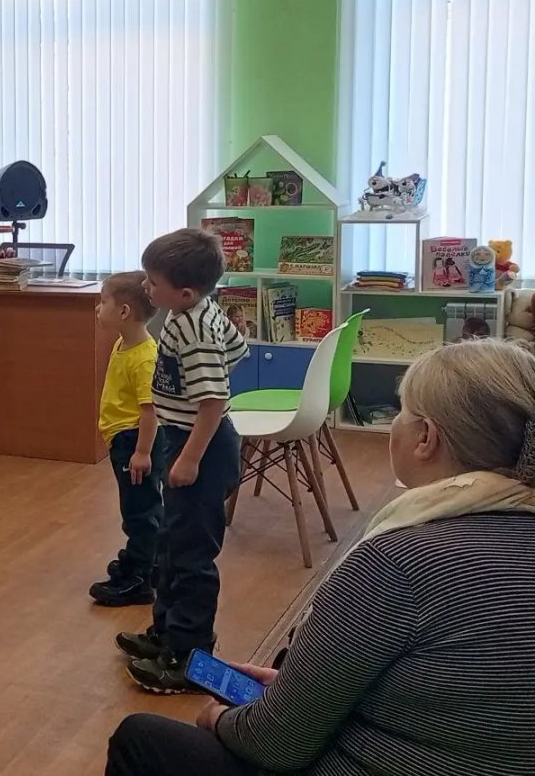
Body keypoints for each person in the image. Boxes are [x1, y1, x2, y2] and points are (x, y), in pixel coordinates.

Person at [107, 338, 535, 776]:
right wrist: (302, 688)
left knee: (141, 739)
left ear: (425, 438)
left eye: (401, 411)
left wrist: (218, 718)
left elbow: (276, 744)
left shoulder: (396, 564)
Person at [119, 228, 248, 692]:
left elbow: (213, 402)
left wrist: (190, 458)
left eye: (153, 282)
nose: (146, 288)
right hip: (185, 437)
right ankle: (166, 633)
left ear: (185, 292)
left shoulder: (194, 330)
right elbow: (238, 348)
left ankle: (189, 656)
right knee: (171, 545)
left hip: (202, 448)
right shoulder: (193, 310)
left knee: (192, 555)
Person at [90, 271, 168, 607]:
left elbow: (150, 411)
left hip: (135, 442)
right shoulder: (124, 344)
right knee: (139, 507)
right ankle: (150, 563)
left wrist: (142, 452)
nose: (98, 308)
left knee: (140, 512)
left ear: (124, 311)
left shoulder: (145, 357)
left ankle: (139, 577)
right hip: (123, 439)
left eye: (103, 301)